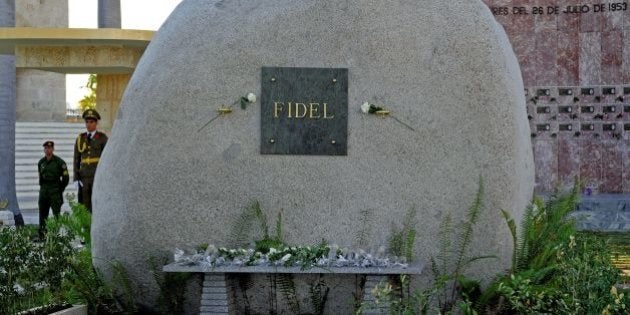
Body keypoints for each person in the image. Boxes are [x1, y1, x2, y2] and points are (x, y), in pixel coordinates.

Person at [73, 109, 108, 212]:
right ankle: (85, 227)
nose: (88, 124)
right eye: (87, 122)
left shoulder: (102, 138)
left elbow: (106, 159)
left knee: (96, 203)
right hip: (83, 177)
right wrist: (76, 177)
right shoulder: (80, 138)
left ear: (96, 123)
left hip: (96, 175)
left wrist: (104, 177)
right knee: (84, 203)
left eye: (91, 122)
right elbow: (76, 159)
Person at [38, 141, 69, 239]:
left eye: (50, 148)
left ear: (53, 149)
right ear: (44, 149)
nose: (48, 150)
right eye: (46, 148)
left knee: (56, 214)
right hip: (44, 191)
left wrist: (60, 189)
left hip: (55, 190)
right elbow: (40, 177)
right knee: (42, 214)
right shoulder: (41, 162)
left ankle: (56, 235)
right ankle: (42, 235)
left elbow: (65, 178)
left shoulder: (60, 162)